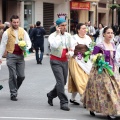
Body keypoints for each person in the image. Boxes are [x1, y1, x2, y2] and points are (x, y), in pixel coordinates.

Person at [82, 27, 120, 120]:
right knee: (106, 90)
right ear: (103, 34)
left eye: (111, 33)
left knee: (116, 90)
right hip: (101, 70)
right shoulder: (99, 45)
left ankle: (114, 110)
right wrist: (98, 59)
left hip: (112, 70)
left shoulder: (113, 44)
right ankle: (108, 112)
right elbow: (92, 57)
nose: (110, 35)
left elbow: (115, 58)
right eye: (108, 33)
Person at [0, 15, 31, 101]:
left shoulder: (23, 31)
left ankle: (14, 89)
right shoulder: (7, 32)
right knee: (12, 75)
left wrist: (26, 47)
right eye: (14, 22)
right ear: (11, 22)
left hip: (21, 56)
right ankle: (13, 93)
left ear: (19, 22)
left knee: (21, 76)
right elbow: (2, 45)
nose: (16, 24)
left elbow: (28, 41)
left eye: (17, 22)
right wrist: (0, 57)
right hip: (11, 55)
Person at [47, 18, 72, 111]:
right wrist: (57, 34)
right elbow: (55, 45)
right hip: (55, 61)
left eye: (65, 25)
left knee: (63, 82)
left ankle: (51, 94)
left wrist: (70, 53)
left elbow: (72, 47)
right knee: (61, 81)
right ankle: (64, 102)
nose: (64, 27)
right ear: (57, 26)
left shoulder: (68, 35)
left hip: (65, 61)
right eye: (62, 25)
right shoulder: (52, 36)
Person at [68, 23, 92, 105]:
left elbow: (91, 48)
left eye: (85, 28)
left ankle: (72, 98)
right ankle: (85, 100)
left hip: (86, 60)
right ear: (78, 30)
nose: (85, 30)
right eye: (83, 28)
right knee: (81, 80)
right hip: (76, 60)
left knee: (85, 79)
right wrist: (69, 53)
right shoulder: (74, 38)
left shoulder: (88, 38)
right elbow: (71, 49)